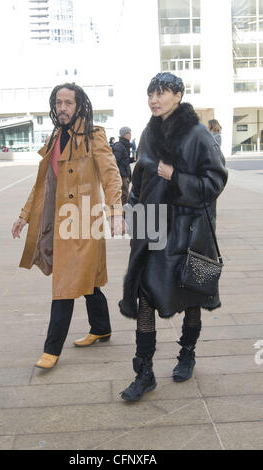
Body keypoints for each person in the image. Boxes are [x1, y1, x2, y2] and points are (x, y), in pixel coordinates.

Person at [119, 72, 228, 401]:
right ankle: (144, 372)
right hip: (152, 229)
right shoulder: (148, 133)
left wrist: (175, 176)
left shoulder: (197, 134)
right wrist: (133, 212)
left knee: (191, 295)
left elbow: (215, 182)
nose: (154, 99)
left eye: (162, 92)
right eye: (151, 93)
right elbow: (139, 181)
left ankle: (187, 352)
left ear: (178, 95)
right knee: (146, 298)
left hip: (188, 231)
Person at [12, 83, 124, 370]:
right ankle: (101, 327)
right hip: (59, 222)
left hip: (83, 224)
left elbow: (111, 175)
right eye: (59, 102)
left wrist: (116, 211)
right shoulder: (55, 138)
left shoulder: (93, 135)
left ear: (79, 105)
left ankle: (52, 349)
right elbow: (42, 185)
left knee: (64, 283)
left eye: (68, 103)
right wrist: (25, 216)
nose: (63, 107)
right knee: (89, 282)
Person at [112, 127, 133, 206]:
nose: (131, 135)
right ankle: (123, 212)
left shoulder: (124, 145)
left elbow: (124, 159)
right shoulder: (119, 146)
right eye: (129, 133)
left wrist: (132, 159)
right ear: (125, 134)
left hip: (125, 173)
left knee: (125, 194)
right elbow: (115, 161)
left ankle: (123, 211)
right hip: (121, 175)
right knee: (124, 195)